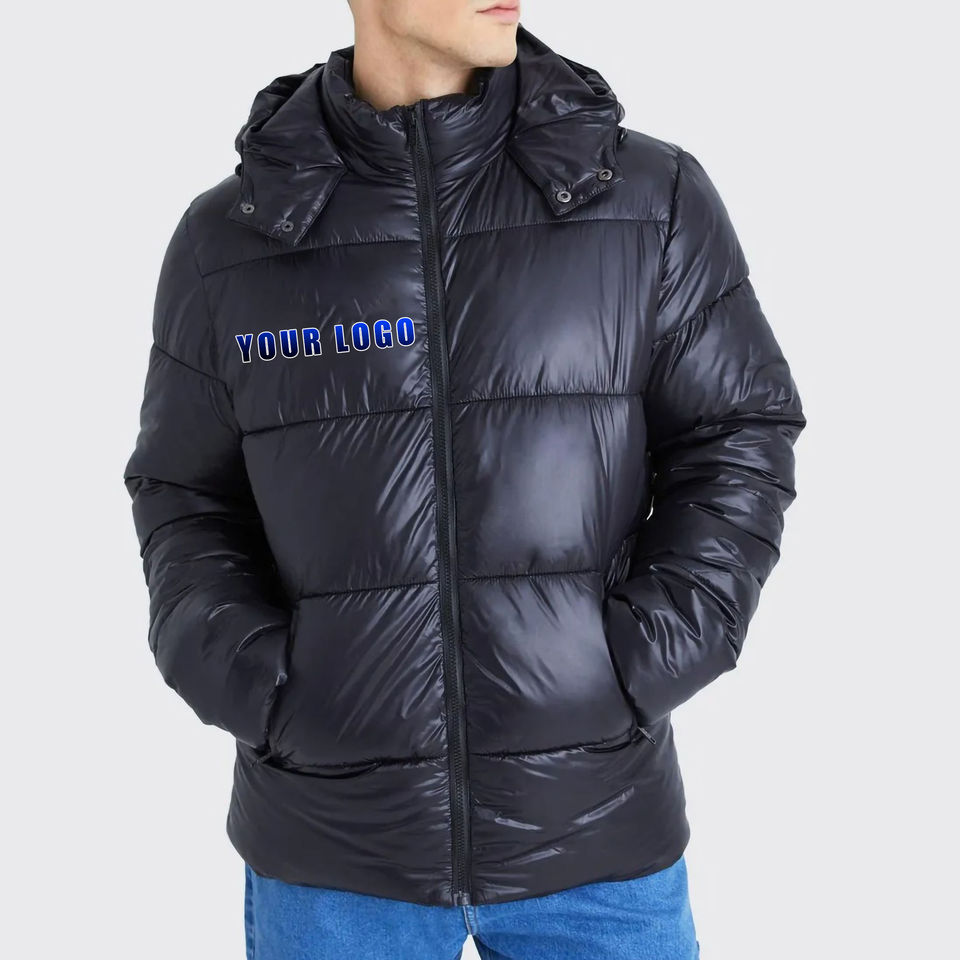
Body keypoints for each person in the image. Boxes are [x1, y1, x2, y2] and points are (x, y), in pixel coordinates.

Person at [123, 2, 805, 957]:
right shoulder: (230, 241)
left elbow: (738, 431)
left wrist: (641, 658)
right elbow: (184, 492)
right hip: (333, 859)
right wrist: (260, 684)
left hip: (597, 837)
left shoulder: (648, 199)